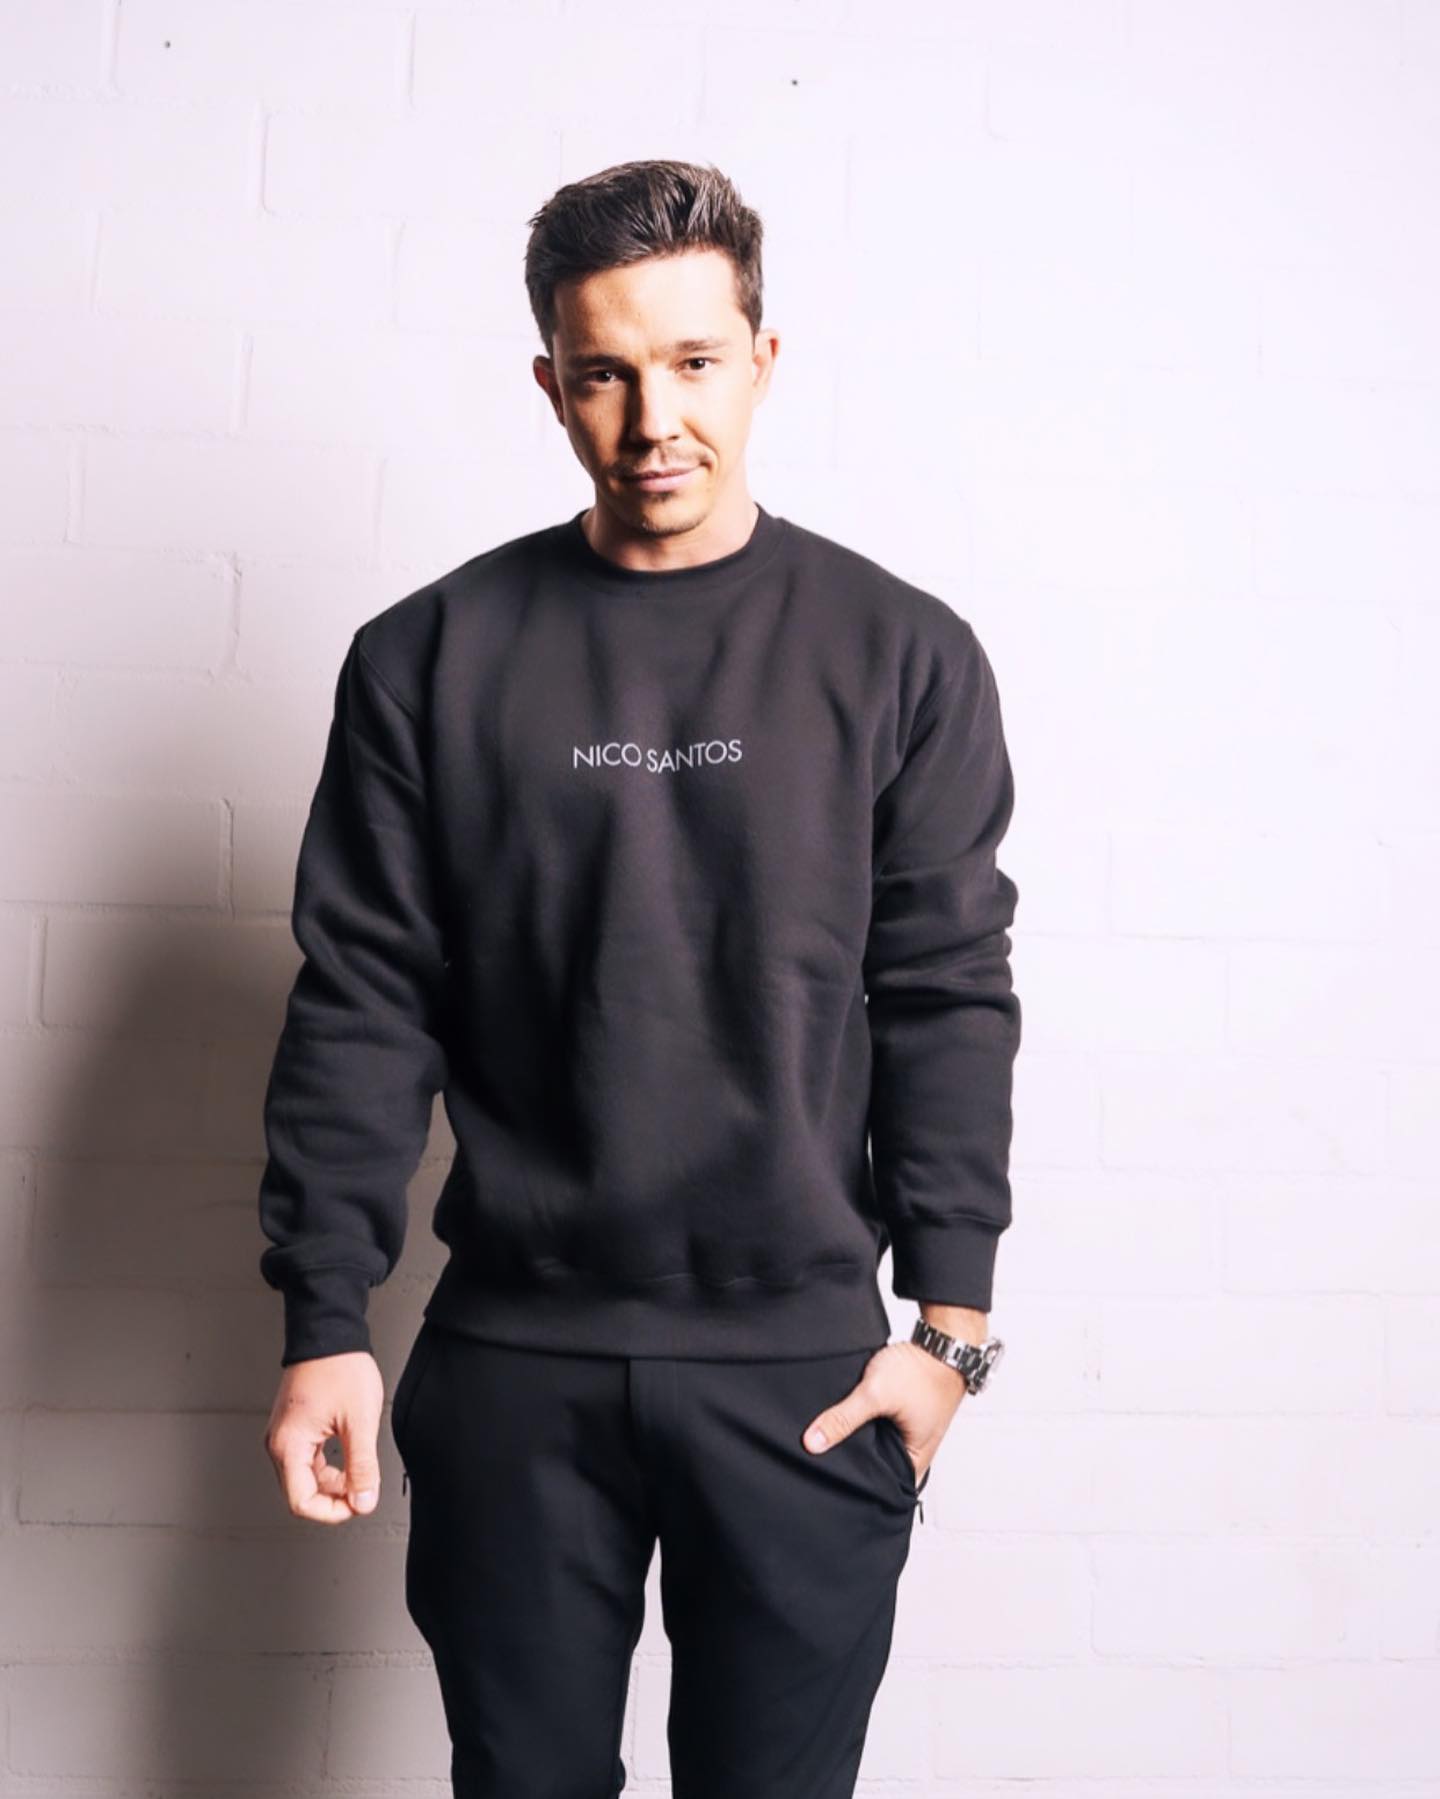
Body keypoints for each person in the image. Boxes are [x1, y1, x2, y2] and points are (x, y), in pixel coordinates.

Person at [258, 157, 1021, 1798]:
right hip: (515, 1363)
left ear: (762, 361)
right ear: (550, 384)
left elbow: (948, 992)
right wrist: (325, 1320)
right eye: (604, 372)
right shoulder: (429, 657)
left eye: (692, 361)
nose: (652, 417)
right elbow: (363, 999)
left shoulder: (900, 653)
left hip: (806, 1373)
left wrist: (949, 1334)